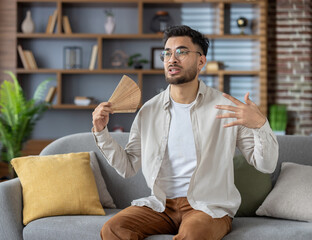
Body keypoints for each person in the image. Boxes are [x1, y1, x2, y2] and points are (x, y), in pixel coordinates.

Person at [92, 25, 278, 240]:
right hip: (161, 206)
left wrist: (260, 125)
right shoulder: (149, 111)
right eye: (167, 53)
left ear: (201, 61)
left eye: (181, 52)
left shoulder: (226, 108)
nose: (172, 59)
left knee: (193, 235)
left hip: (207, 207)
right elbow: (128, 166)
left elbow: (266, 164)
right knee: (113, 229)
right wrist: (101, 131)